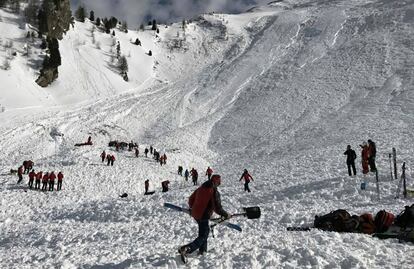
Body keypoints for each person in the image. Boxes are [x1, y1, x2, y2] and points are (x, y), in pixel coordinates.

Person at [178, 175, 230, 260]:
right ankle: (187, 248)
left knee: (203, 232)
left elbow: (191, 199)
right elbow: (217, 207)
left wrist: (193, 208)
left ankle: (203, 251)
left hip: (195, 214)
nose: (219, 183)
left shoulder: (201, 188)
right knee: (204, 235)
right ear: (216, 182)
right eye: (219, 182)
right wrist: (225, 214)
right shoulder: (213, 191)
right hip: (204, 215)